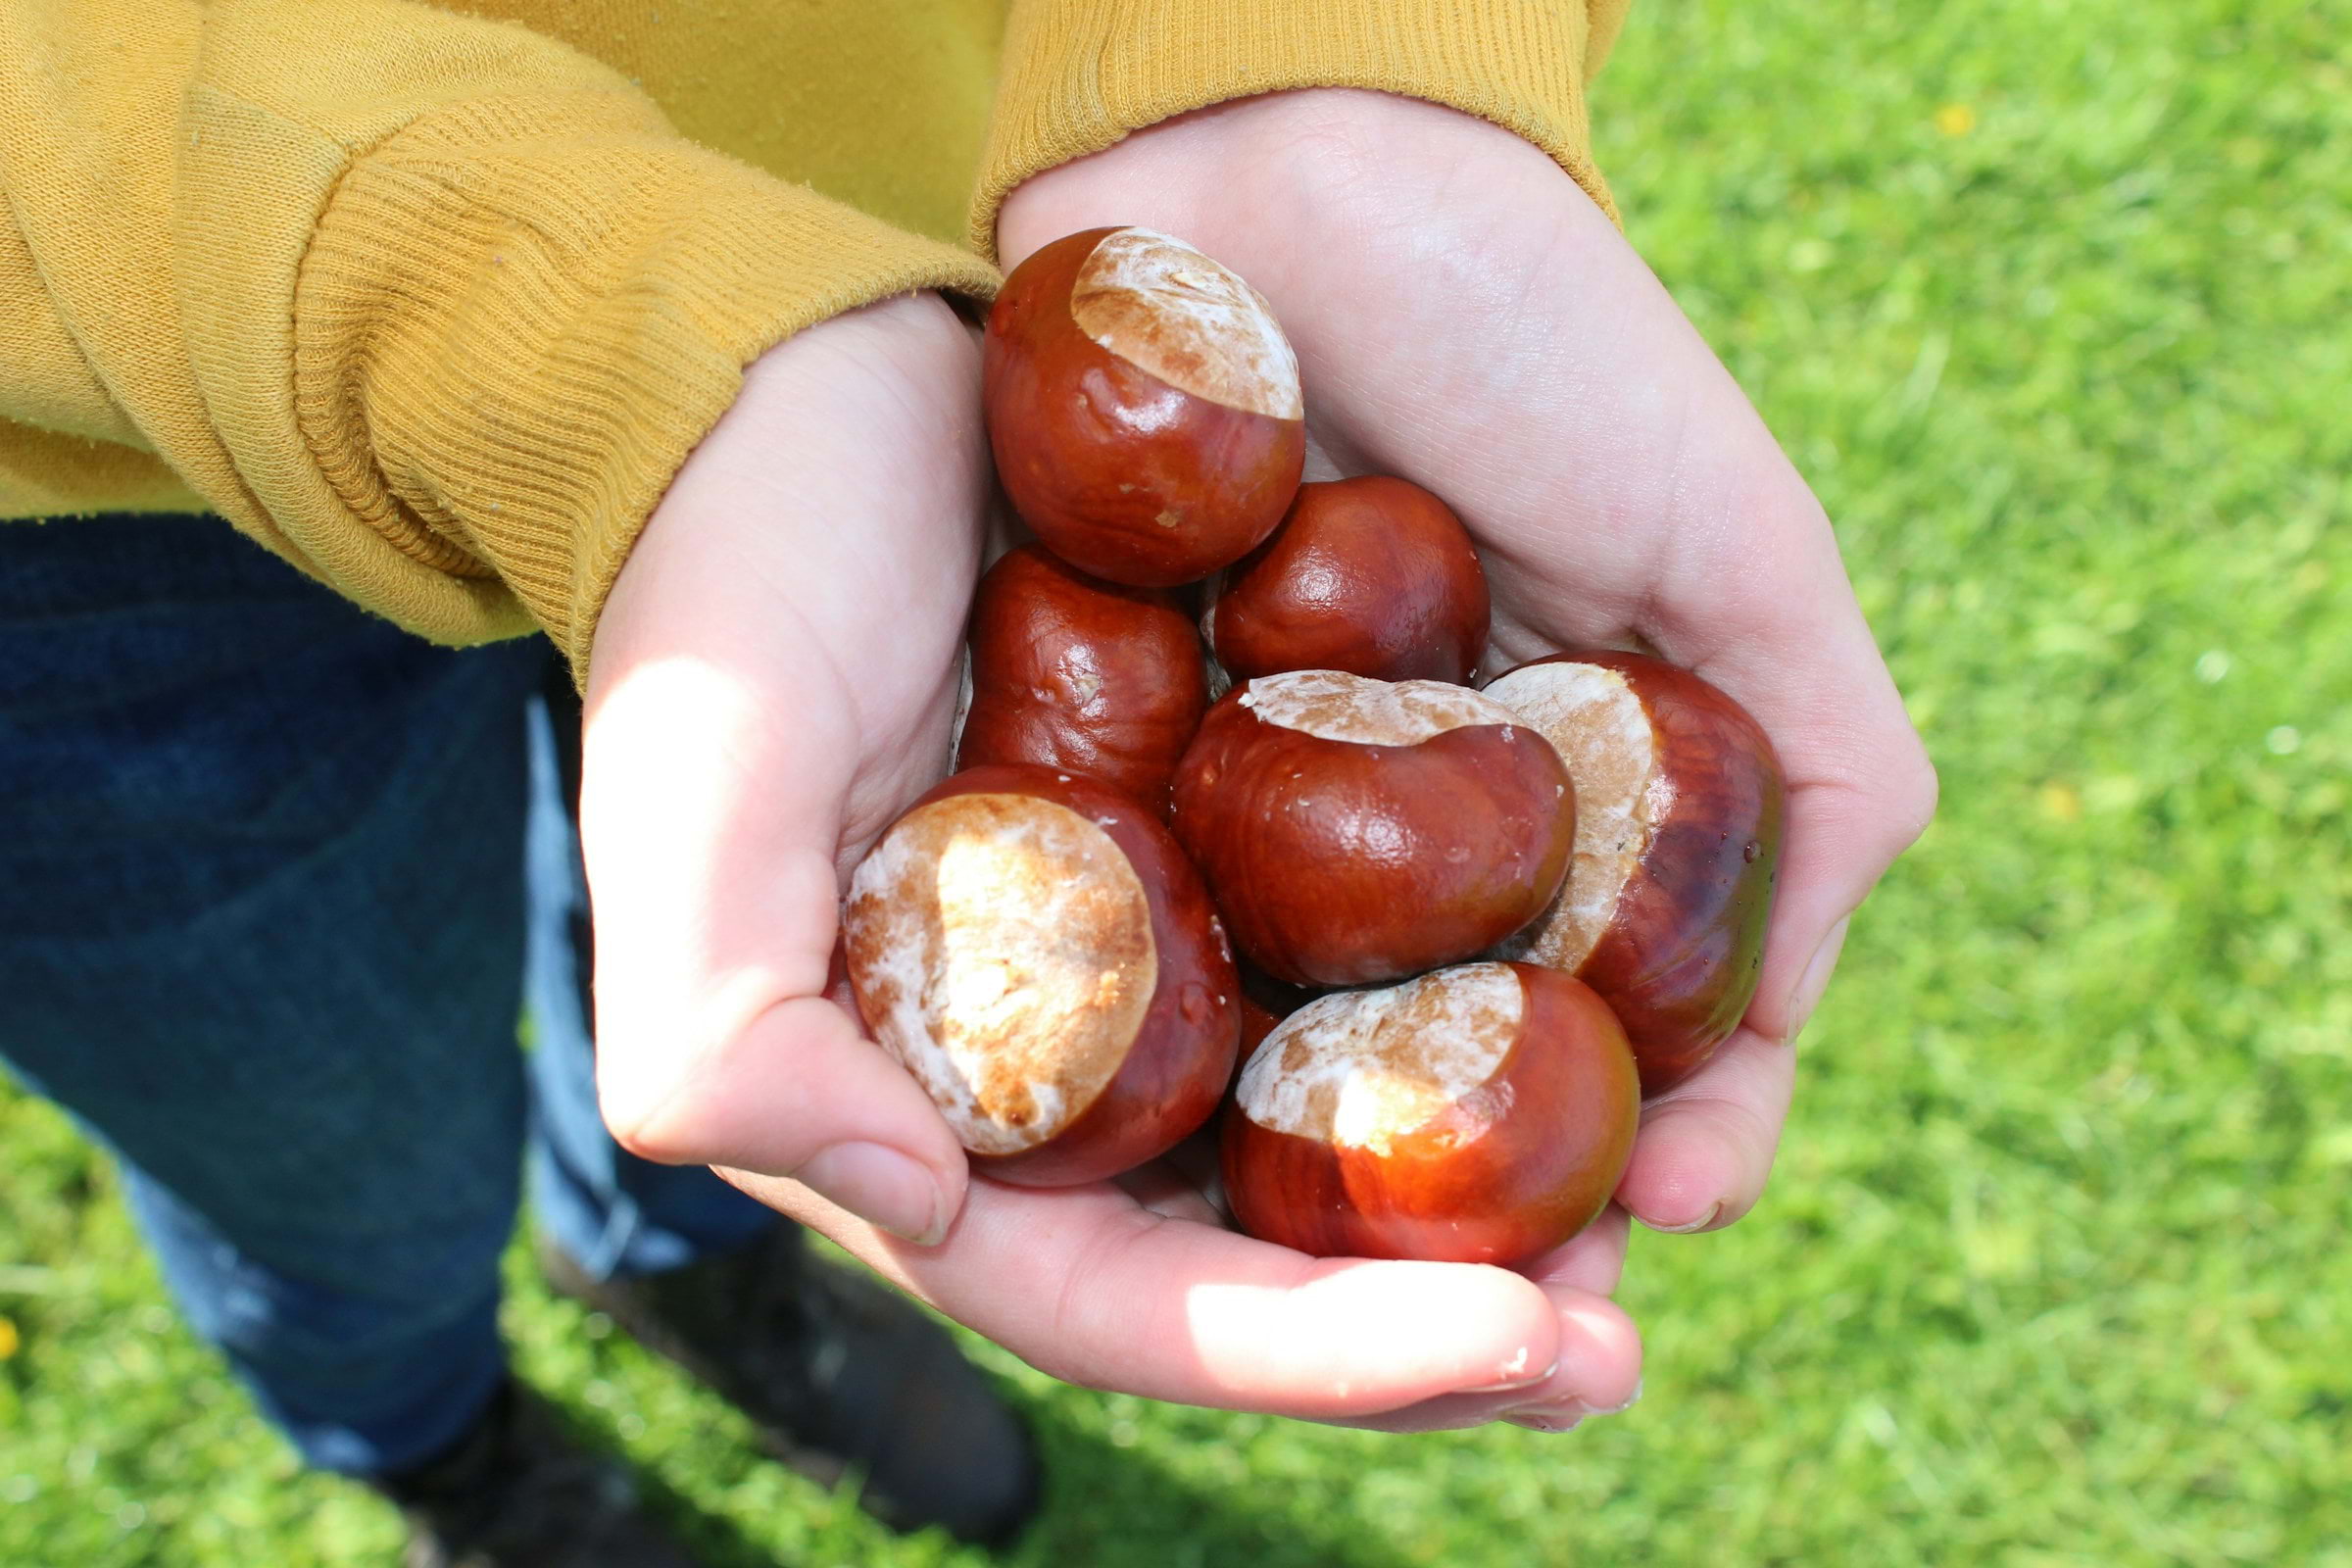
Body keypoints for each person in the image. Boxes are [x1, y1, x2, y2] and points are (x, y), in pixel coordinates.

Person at [0, 4, 1937, 1565]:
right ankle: (429, 1427)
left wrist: (1309, 60)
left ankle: (687, 1256)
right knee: (323, 1127)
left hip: (887, 275)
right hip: (91, 499)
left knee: (730, 947)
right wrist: (562, 333)